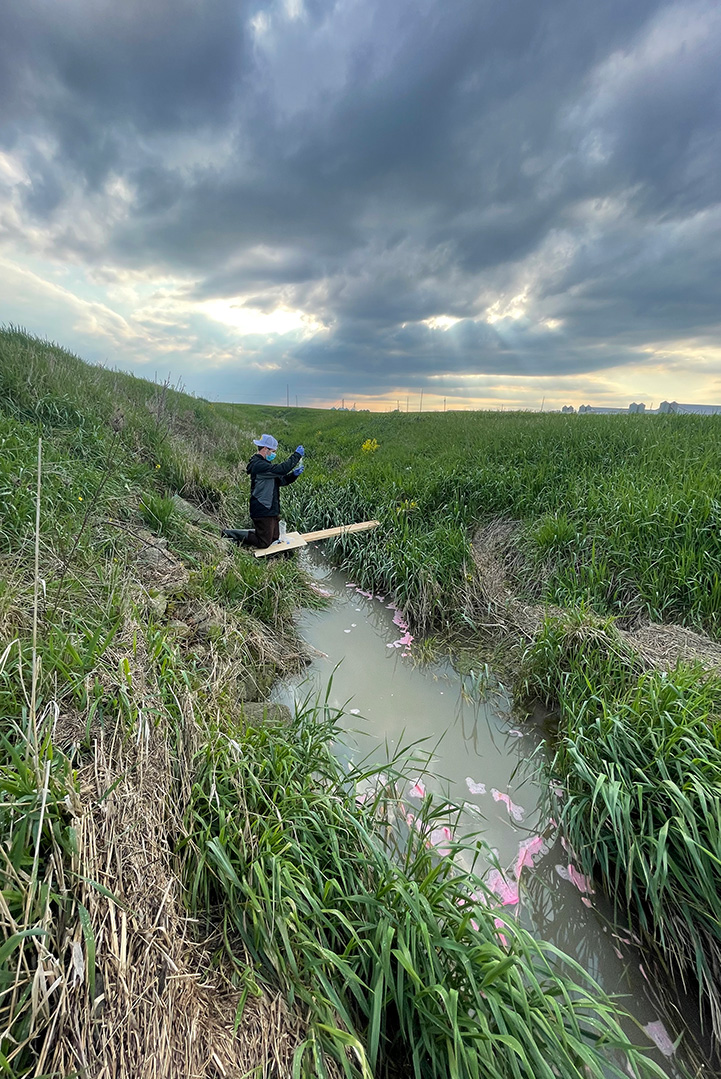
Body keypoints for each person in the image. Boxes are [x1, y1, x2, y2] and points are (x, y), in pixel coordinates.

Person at [221, 434, 305, 548]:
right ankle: (230, 534)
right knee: (264, 543)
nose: (274, 454)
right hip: (262, 507)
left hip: (271, 508)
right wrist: (296, 456)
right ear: (265, 449)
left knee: (275, 538)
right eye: (273, 451)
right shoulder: (259, 465)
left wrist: (293, 475)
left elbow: (281, 481)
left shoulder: (266, 465)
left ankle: (254, 534)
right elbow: (282, 469)